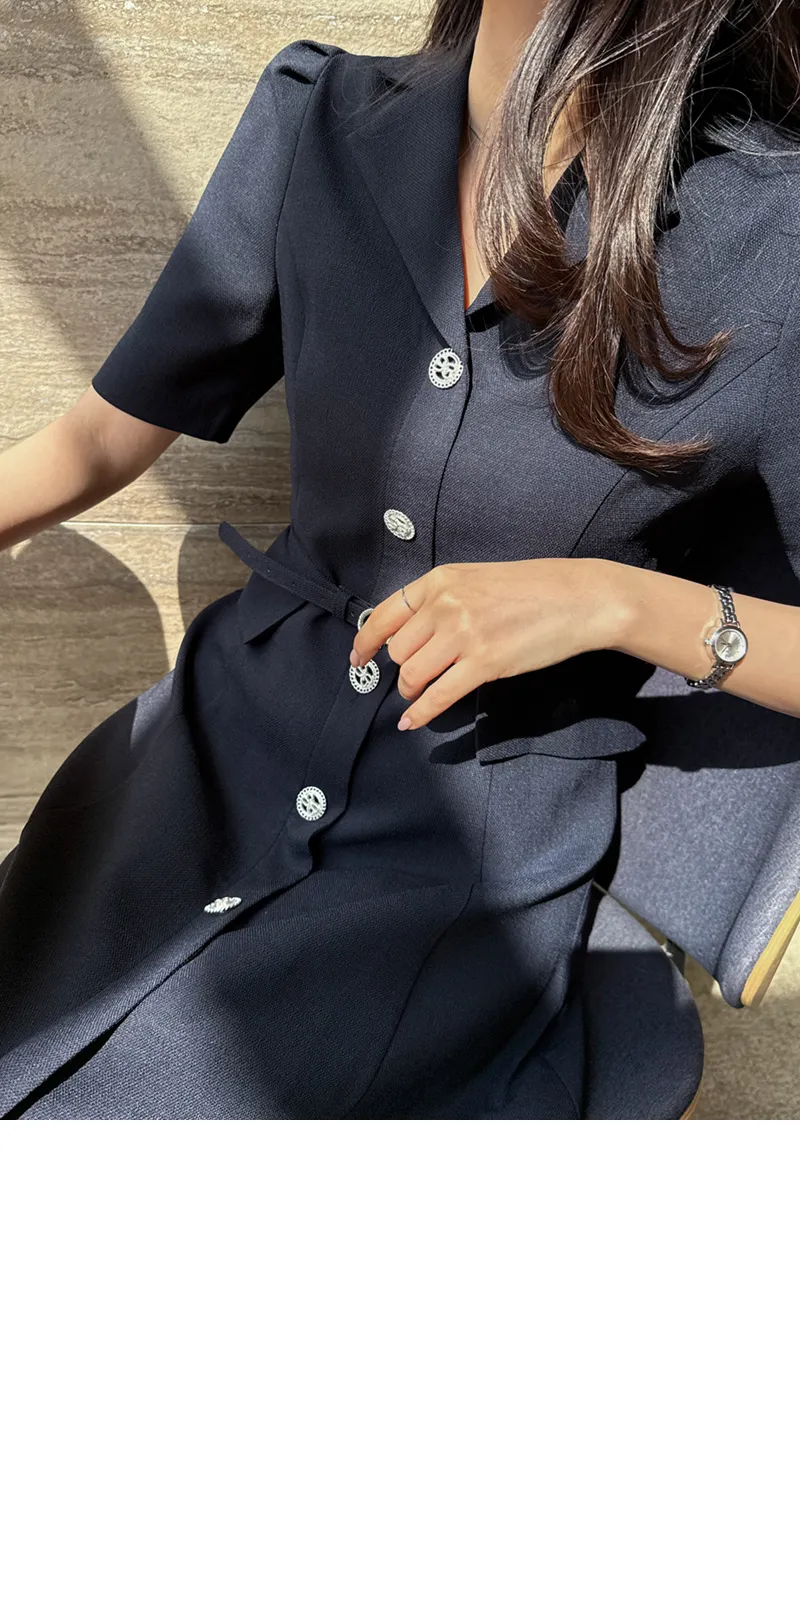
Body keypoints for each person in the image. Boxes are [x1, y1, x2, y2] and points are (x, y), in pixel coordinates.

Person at [2, 0, 800, 1119]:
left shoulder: (769, 237)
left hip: (465, 847)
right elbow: (99, 439)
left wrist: (617, 603)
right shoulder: (318, 118)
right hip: (211, 756)